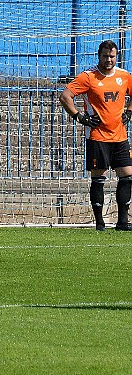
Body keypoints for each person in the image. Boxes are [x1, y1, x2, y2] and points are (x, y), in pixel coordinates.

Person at [59, 39, 132, 231]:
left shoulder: (124, 76)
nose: (109, 59)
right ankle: (100, 223)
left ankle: (123, 223)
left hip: (120, 136)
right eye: (105, 56)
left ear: (117, 56)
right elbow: (65, 96)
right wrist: (79, 117)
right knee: (99, 179)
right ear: (98, 56)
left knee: (127, 176)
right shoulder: (88, 77)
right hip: (97, 136)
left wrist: (129, 112)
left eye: (112, 56)